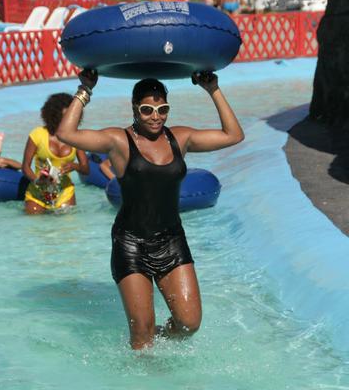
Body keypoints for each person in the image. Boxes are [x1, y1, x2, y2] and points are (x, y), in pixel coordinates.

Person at [56, 70, 244, 350]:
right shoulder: (118, 141)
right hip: (131, 243)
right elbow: (66, 133)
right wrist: (85, 90)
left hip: (171, 241)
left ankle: (158, 343)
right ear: (134, 109)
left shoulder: (180, 138)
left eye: (162, 109)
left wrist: (213, 89)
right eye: (147, 110)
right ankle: (144, 388)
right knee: (142, 335)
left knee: (188, 324)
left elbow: (234, 135)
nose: (155, 116)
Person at [22, 93, 89, 214]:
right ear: (53, 117)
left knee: (68, 230)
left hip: (65, 193)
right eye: (64, 118)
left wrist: (74, 166)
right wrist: (37, 181)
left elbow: (86, 169)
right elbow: (25, 167)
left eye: (71, 117)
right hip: (38, 193)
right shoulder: (37, 134)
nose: (68, 121)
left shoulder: (76, 137)